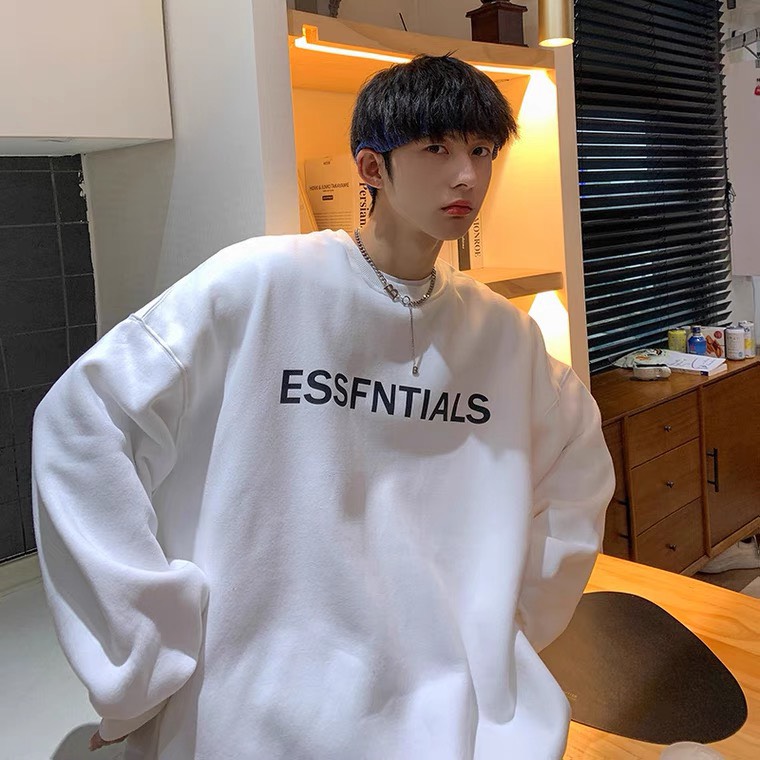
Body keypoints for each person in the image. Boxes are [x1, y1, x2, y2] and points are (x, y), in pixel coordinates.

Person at [32, 54, 615, 759]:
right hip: (258, 701)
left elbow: (579, 469)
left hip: (450, 704)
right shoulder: (261, 284)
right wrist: (145, 649)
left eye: (482, 150)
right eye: (437, 148)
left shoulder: (503, 335)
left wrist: (501, 623)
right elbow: (82, 423)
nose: (467, 175)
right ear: (371, 168)